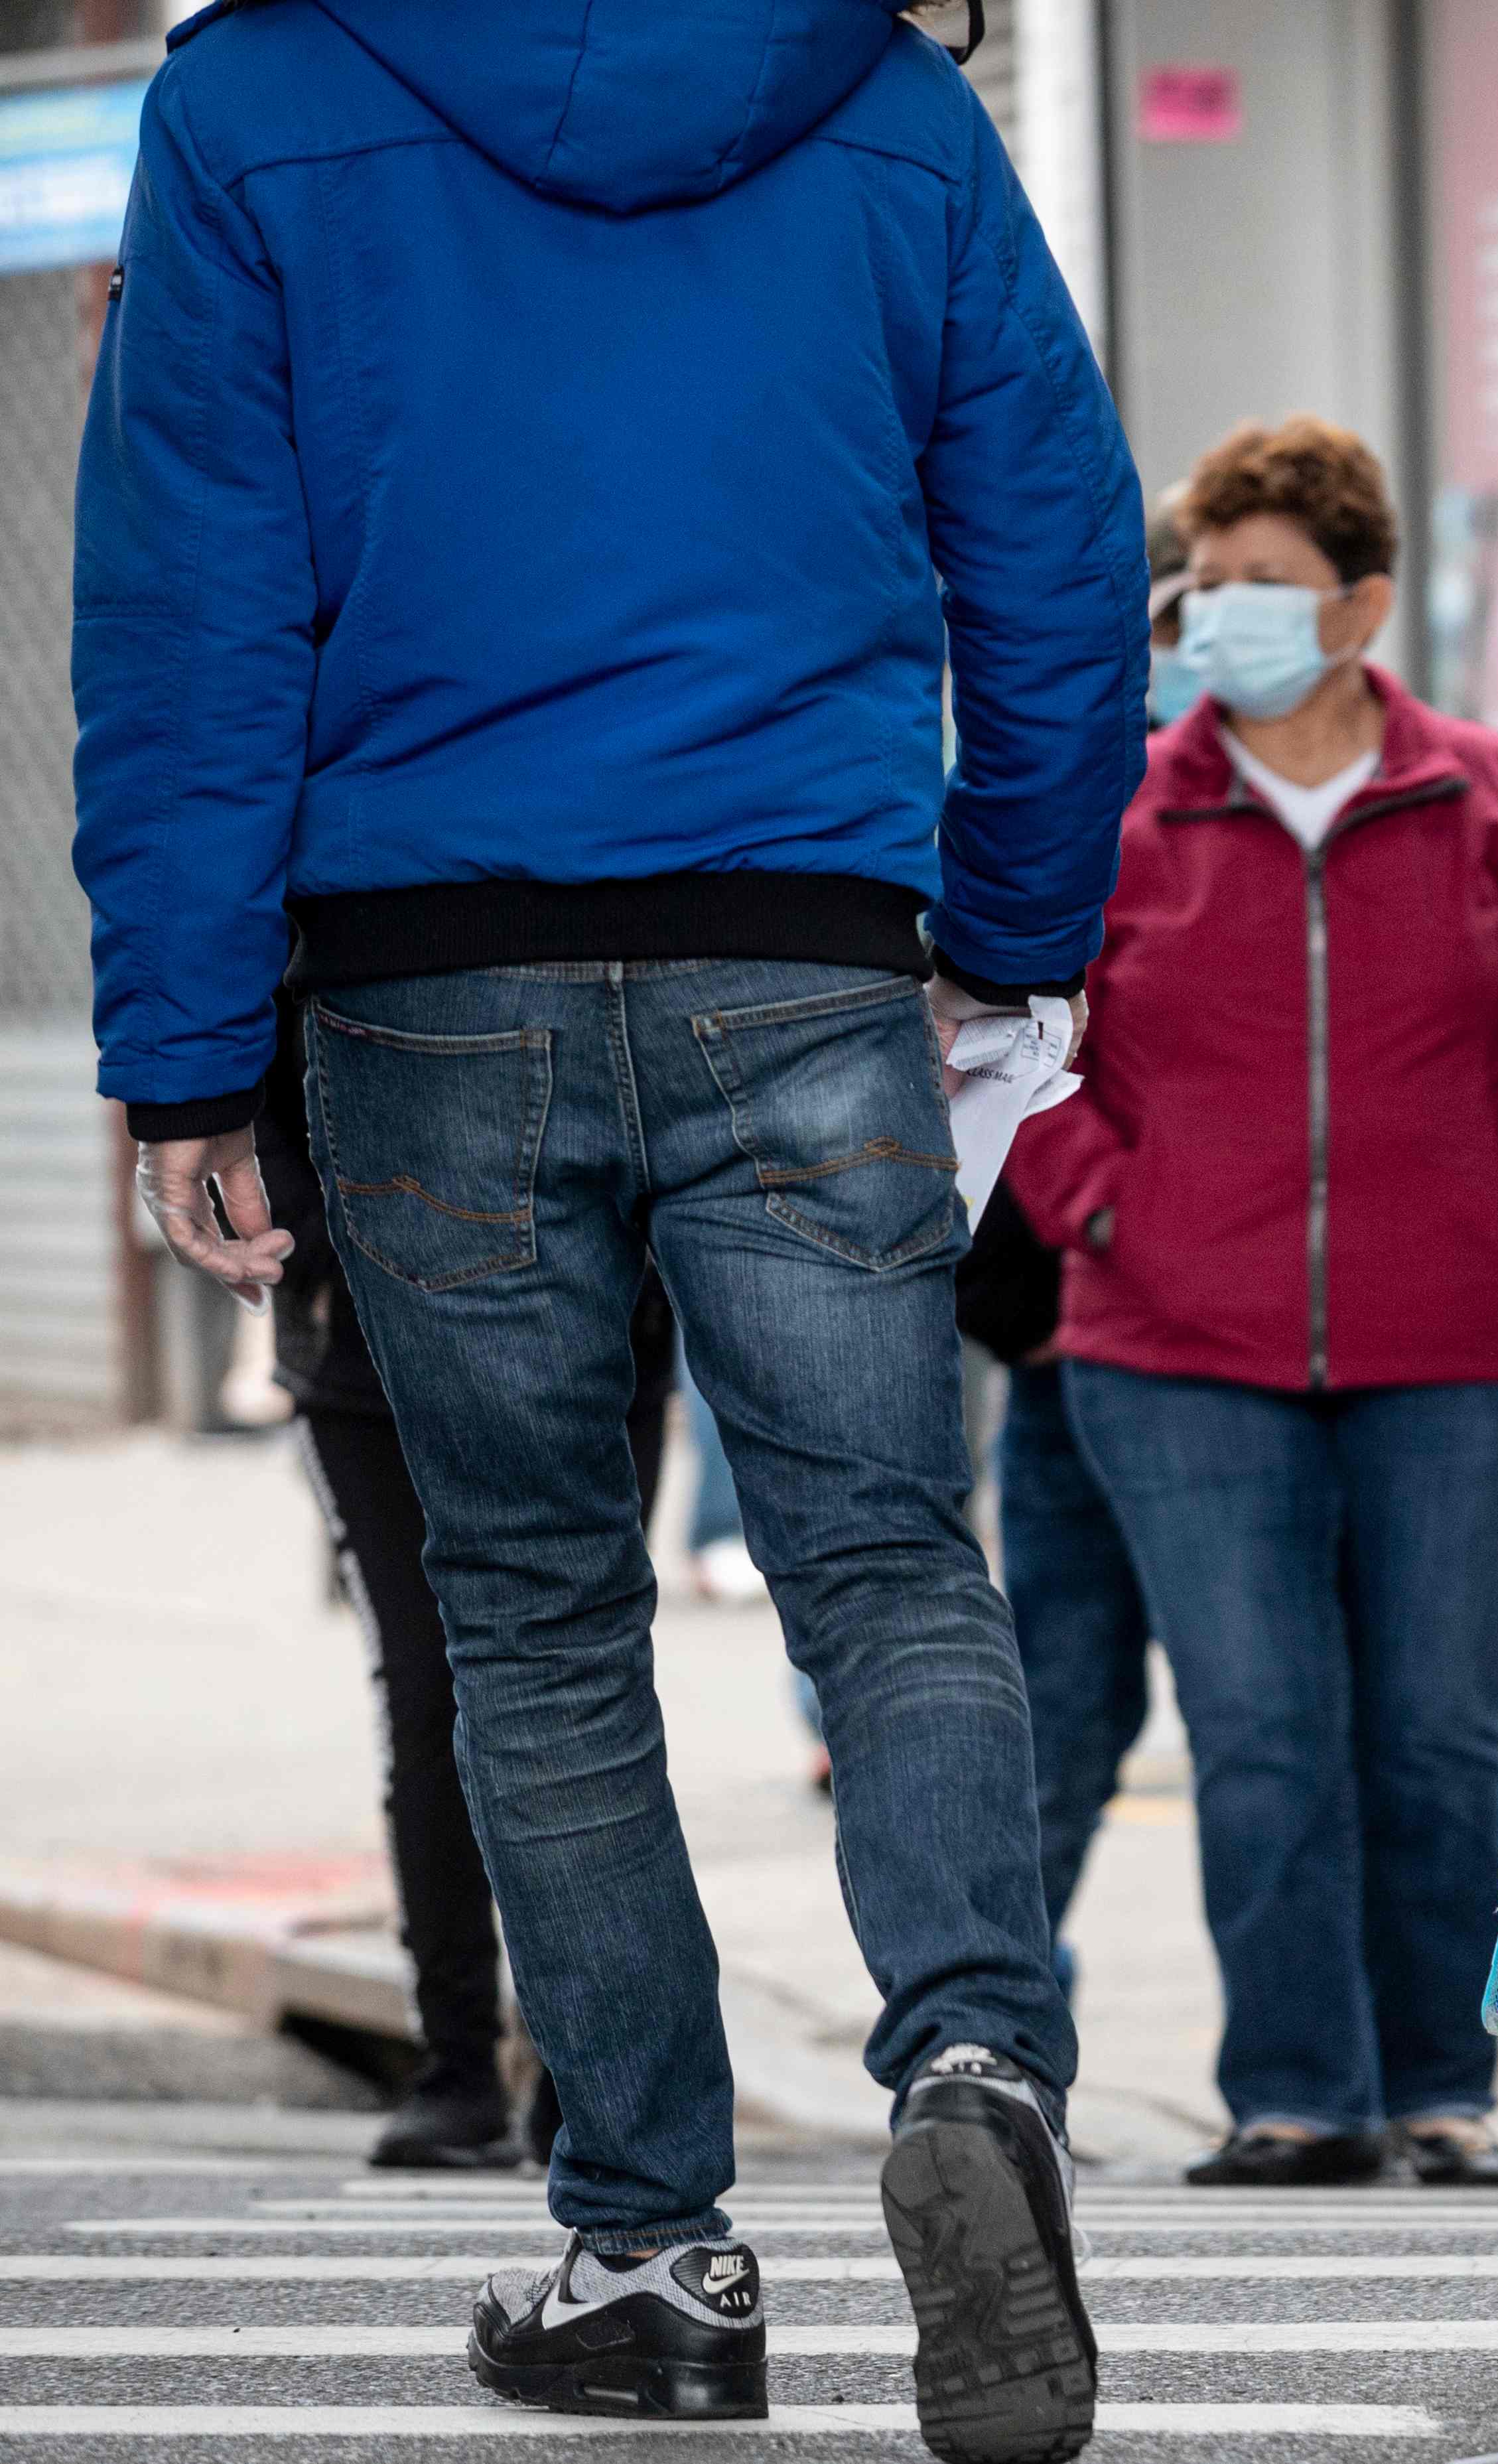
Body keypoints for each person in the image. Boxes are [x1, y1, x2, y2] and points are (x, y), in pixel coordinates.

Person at [77, 3, 1144, 2450]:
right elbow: (1059, 550)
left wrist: (189, 1047)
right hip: (808, 949)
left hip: (428, 976)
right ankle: (976, 2060)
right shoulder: (891, 104)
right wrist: (1012, 927)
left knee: (539, 1616)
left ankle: (651, 2252)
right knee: (886, 1559)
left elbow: (188, 595)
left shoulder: (254, 101)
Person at [1004, 415, 1498, 2191]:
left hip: (1468, 1356)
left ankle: (1435, 2085)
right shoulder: (1117, 811)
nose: (1219, 613)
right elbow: (1014, 1050)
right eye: (1204, 583)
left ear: (1360, 605)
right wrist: (1108, 1206)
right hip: (1176, 1355)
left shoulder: (1493, 799)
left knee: (1425, 1730)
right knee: (1258, 1729)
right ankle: (1295, 2092)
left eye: (1264, 582)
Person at [253, 996, 669, 2174]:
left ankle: (587, 2072)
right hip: (366, 1352)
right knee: (433, 1688)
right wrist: (334, 1240)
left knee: (578, 1675)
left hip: (596, 1337)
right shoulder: (327, 881)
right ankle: (458, 2063)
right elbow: (240, 1043)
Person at [952, 1188, 1152, 2006]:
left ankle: (1327, 2073)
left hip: (1250, 1351)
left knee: (1273, 1737)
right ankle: (995, 2012)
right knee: (1060, 1728)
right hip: (1070, 1349)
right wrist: (1013, 1305)